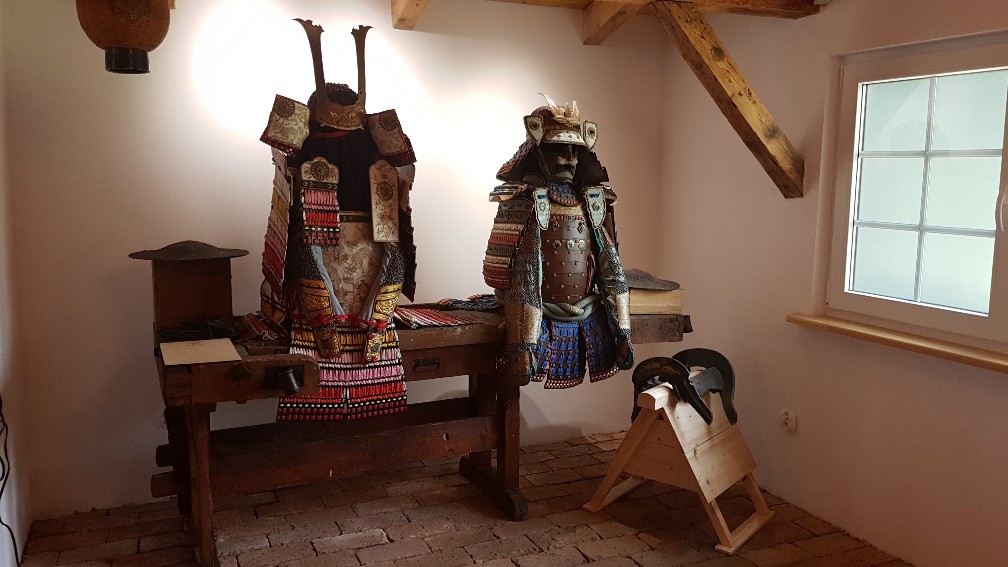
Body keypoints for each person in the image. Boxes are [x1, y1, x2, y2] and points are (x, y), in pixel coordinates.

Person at [257, 21, 417, 420]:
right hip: (356, 310)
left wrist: (339, 322)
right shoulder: (373, 162)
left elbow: (388, 244)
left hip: (343, 306)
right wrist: (371, 322)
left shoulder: (320, 157)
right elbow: (391, 248)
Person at [484, 95, 633, 388]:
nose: (568, 158)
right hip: (538, 316)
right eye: (558, 150)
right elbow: (525, 275)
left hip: (587, 314)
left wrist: (623, 330)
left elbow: (611, 269)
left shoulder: (593, 201)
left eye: (574, 150)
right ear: (538, 152)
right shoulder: (524, 199)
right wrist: (522, 344)